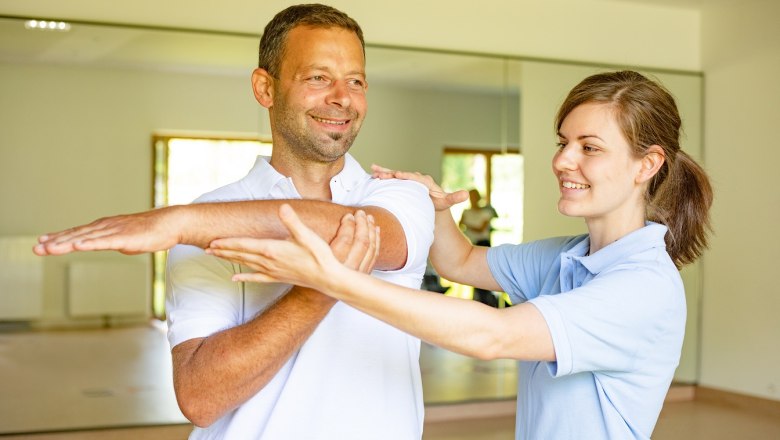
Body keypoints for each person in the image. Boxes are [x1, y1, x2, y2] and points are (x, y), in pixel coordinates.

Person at [203, 70, 714, 440]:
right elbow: (462, 264)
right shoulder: (568, 257)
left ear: (648, 164)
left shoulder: (641, 286)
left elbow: (491, 335)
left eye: (589, 147)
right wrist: (436, 209)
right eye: (563, 142)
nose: (562, 160)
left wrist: (333, 278)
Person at [34, 4, 433, 439]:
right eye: (318, 78)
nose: (342, 97)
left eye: (355, 81)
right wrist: (318, 290)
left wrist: (184, 222)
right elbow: (201, 399)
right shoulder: (210, 214)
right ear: (265, 88)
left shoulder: (398, 197)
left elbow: (365, 232)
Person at [459, 189, 498, 306]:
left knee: (484, 274)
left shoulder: (486, 212)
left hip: (483, 244)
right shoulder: (466, 212)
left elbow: (481, 229)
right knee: (472, 274)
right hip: (471, 244)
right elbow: (460, 225)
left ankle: (486, 300)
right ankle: (477, 300)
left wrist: (468, 225)